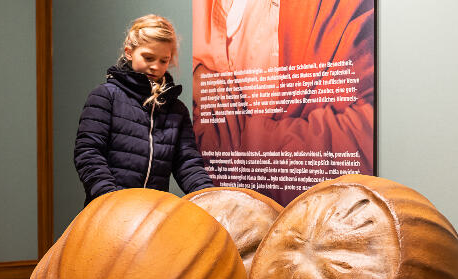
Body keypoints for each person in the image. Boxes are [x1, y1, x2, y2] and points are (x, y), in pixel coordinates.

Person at [193, 0, 375, 205]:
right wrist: (194, 75)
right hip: (215, 204)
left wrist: (250, 141)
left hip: (301, 212)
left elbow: (366, 142)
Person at [75, 15, 213, 206]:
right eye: (148, 57)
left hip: (152, 215)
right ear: (129, 52)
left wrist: (210, 198)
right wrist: (110, 198)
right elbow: (88, 152)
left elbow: (187, 162)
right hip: (108, 211)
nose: (156, 66)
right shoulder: (106, 96)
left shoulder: (176, 109)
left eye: (164, 61)